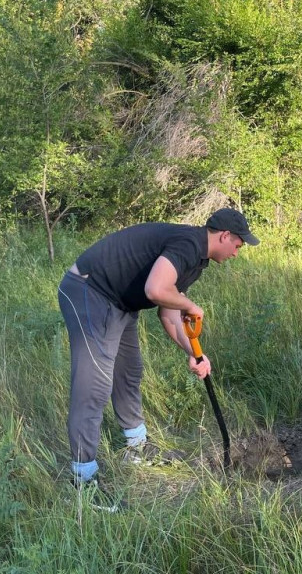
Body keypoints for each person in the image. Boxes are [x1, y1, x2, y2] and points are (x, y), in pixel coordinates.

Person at [58, 207, 258, 511]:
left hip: (120, 302)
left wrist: (195, 353)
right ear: (225, 235)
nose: (236, 253)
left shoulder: (198, 260)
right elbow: (155, 289)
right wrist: (191, 305)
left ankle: (137, 448)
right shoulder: (188, 244)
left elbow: (168, 313)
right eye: (238, 245)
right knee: (94, 386)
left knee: (129, 373)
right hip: (90, 290)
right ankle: (82, 480)